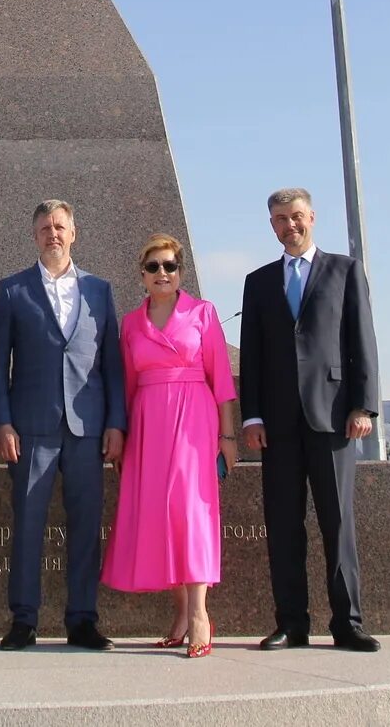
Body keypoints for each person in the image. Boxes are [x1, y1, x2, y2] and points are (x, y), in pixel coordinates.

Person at [239, 189, 383, 653]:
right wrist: (252, 416)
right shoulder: (258, 282)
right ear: (272, 226)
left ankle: (348, 623)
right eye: (280, 219)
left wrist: (364, 406)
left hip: (334, 420)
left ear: (312, 218)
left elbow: (363, 341)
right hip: (278, 426)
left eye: (296, 217)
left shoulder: (344, 271)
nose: (289, 226)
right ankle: (291, 623)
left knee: (337, 523)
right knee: (283, 525)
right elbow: (255, 355)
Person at [0, 199, 125, 651]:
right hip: (31, 428)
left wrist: (116, 424)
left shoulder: (101, 291)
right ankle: (23, 619)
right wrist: (2, 423)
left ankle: (82, 619)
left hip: (87, 428)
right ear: (35, 235)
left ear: (74, 232)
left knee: (86, 525)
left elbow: (113, 365)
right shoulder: (12, 290)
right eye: (45, 228)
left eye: (60, 227)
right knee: (27, 524)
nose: (53, 234)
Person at [103, 234, 238, 658]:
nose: (163, 273)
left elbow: (222, 379)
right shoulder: (130, 323)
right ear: (141, 275)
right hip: (146, 422)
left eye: (170, 266)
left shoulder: (203, 313)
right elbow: (125, 383)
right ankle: (179, 614)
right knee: (161, 515)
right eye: (154, 267)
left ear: (180, 272)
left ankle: (200, 614)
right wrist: (120, 434)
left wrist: (228, 435)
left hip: (194, 420)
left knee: (190, 512)